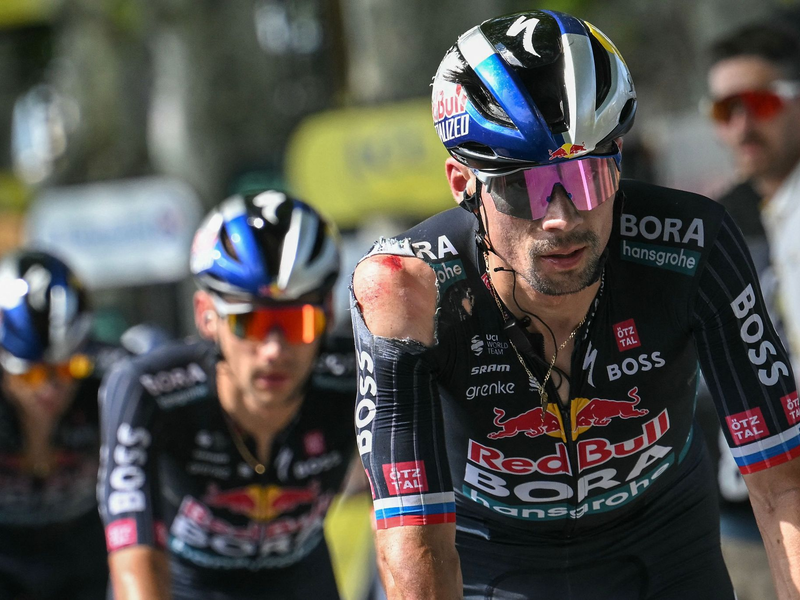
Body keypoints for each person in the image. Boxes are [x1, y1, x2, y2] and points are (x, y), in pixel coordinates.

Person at [351, 10, 800, 600]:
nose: (561, 218)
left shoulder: (693, 246)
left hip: (664, 551)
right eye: (524, 186)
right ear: (463, 184)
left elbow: (783, 485)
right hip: (494, 565)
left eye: (589, 178)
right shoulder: (407, 286)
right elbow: (414, 540)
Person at [98, 189, 356, 600]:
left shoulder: (356, 378)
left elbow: (406, 525)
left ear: (326, 312)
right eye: (248, 324)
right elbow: (134, 558)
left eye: (297, 323)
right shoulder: (149, 391)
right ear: (206, 316)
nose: (274, 351)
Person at [696, 19, 800, 600]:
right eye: (722, 110)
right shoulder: (740, 212)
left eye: (757, 102)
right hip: (748, 500)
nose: (740, 125)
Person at [0, 249, 113, 599]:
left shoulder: (105, 385)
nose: (50, 388)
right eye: (31, 374)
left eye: (67, 369)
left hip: (85, 567)